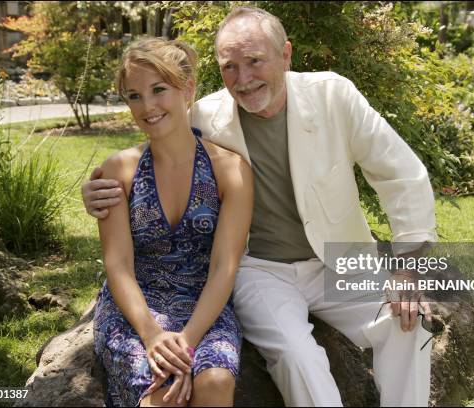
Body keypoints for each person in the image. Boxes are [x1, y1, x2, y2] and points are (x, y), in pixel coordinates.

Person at [84, 7, 437, 407]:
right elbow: (158, 146)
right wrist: (95, 191)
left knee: (409, 322)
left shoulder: (333, 95)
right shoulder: (204, 114)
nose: (243, 78)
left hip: (342, 259)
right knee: (294, 352)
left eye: (254, 61)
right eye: (229, 66)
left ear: (285, 54)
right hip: (262, 270)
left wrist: (408, 269)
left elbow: (402, 174)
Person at [92, 36, 253, 407]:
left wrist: (187, 341)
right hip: (136, 311)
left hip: (204, 306)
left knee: (213, 381)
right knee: (163, 395)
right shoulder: (120, 170)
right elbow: (118, 265)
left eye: (158, 90)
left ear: (188, 88)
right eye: (134, 96)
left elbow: (223, 266)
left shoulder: (230, 171)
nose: (146, 106)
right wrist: (152, 336)